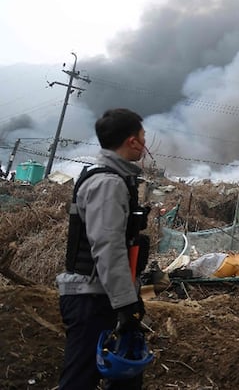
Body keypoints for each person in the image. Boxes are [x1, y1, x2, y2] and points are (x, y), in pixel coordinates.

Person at [56, 108, 151, 388]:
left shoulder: (113, 178)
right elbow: (108, 247)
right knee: (80, 379)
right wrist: (125, 304)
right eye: (143, 137)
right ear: (132, 141)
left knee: (126, 378)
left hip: (103, 294)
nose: (146, 143)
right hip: (93, 299)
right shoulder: (108, 184)